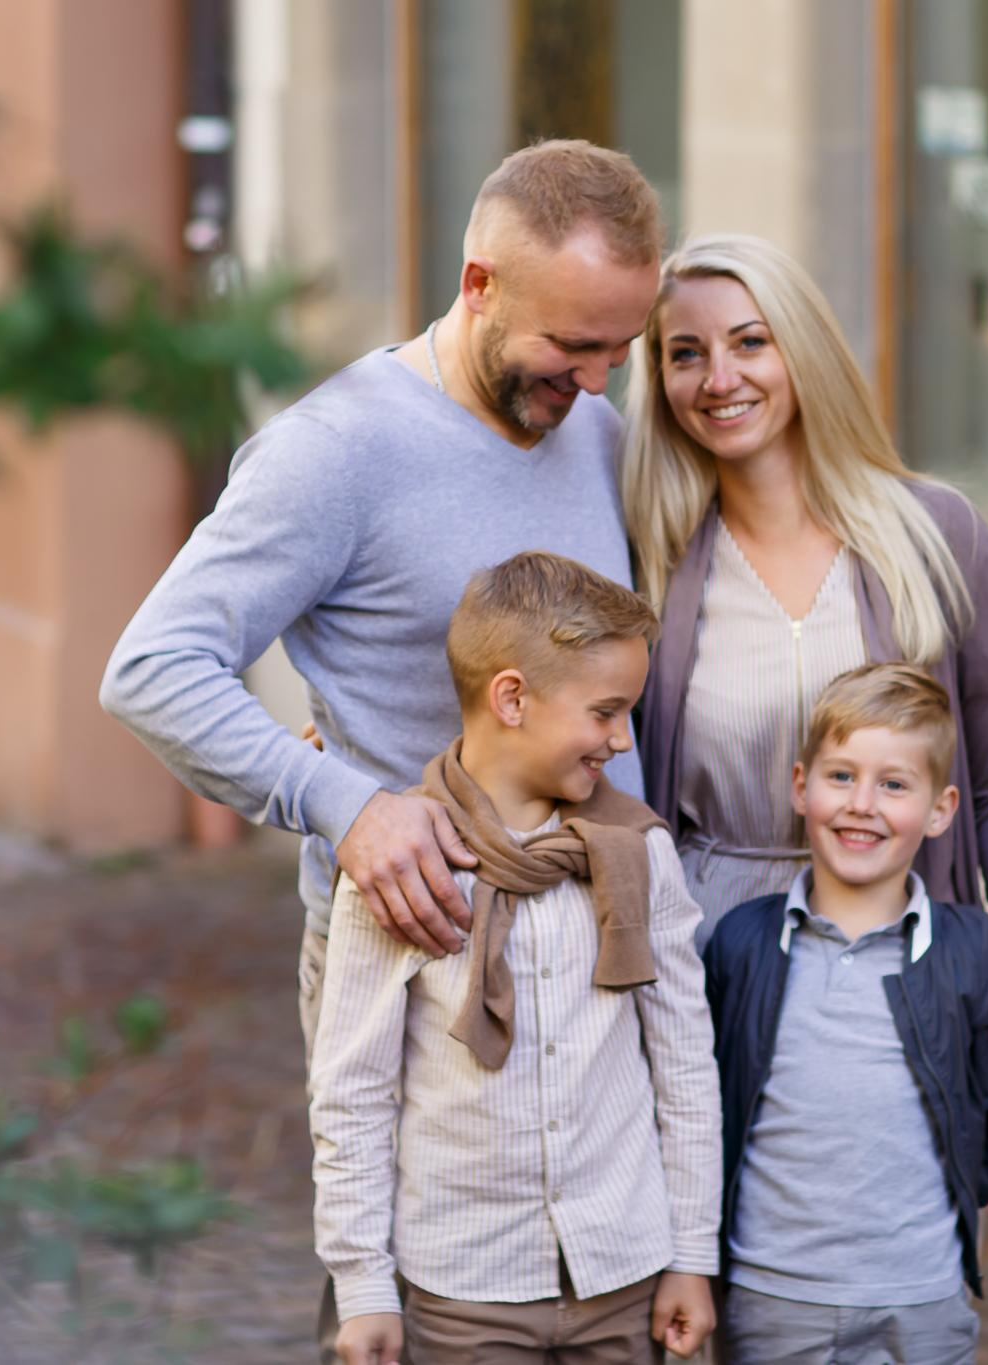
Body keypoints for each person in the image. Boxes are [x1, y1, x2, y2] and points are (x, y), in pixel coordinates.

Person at [100, 137, 664, 1355]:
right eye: (570, 347)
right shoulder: (333, 451)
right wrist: (341, 801)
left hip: (593, 959)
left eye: (616, 353)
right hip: (415, 967)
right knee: (395, 1311)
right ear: (478, 285)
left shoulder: (595, 433)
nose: (593, 384)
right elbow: (151, 668)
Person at [621, 232, 988, 1085]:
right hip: (706, 976)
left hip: (902, 965)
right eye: (686, 354)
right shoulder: (650, 561)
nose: (719, 378)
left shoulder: (937, 536)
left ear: (803, 349)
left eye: (750, 342)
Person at [311, 552, 721, 1365]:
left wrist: (691, 1254)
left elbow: (683, 1064)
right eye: (606, 712)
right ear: (511, 698)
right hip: (464, 1286)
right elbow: (353, 1092)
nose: (623, 739)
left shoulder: (639, 852)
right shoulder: (401, 869)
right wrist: (363, 1287)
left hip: (624, 1275)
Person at [702, 663, 988, 1363]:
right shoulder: (742, 943)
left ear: (941, 809)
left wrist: (918, 1226)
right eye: (841, 776)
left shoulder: (973, 951)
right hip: (771, 1296)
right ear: (801, 785)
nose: (862, 804)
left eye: (894, 784)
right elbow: (708, 1106)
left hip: (920, 1299)